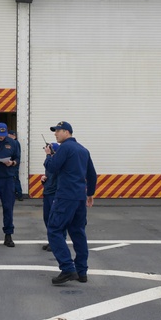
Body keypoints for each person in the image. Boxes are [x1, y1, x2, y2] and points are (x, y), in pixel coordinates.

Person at [44, 121, 97, 284]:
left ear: (67, 132)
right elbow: (92, 174)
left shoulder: (66, 147)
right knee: (78, 232)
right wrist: (90, 194)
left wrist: (48, 155)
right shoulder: (83, 150)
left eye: (58, 131)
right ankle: (82, 271)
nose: (55, 134)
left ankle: (67, 268)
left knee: (54, 229)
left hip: (65, 197)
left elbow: (52, 167)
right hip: (79, 197)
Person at [40, 141, 60, 251]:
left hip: (54, 194)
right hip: (47, 192)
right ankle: (51, 241)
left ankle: (57, 242)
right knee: (47, 218)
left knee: (55, 219)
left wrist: (48, 155)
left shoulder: (56, 161)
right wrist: (44, 180)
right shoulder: (49, 161)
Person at [8, 129, 24, 201]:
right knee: (14, 178)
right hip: (14, 164)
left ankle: (19, 195)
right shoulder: (16, 142)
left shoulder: (15, 143)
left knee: (15, 179)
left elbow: (16, 155)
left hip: (14, 164)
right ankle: (16, 194)